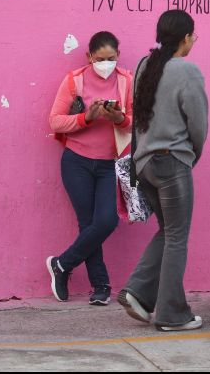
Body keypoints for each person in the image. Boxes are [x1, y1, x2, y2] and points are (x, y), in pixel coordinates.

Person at [118, 10, 209, 332]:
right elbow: (198, 124)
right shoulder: (187, 70)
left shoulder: (145, 65)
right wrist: (191, 157)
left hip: (144, 162)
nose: (193, 42)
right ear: (185, 37)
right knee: (177, 237)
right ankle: (172, 314)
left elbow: (138, 115)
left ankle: (137, 292)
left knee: (169, 231)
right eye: (193, 37)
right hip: (172, 162)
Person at [47, 31, 134, 306]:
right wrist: (88, 117)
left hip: (111, 164)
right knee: (88, 224)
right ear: (89, 57)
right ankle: (101, 286)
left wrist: (119, 118)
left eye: (110, 58)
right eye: (99, 59)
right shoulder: (75, 80)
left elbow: (137, 122)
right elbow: (56, 122)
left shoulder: (127, 81)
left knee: (106, 221)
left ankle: (61, 264)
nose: (105, 64)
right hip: (77, 162)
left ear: (118, 55)